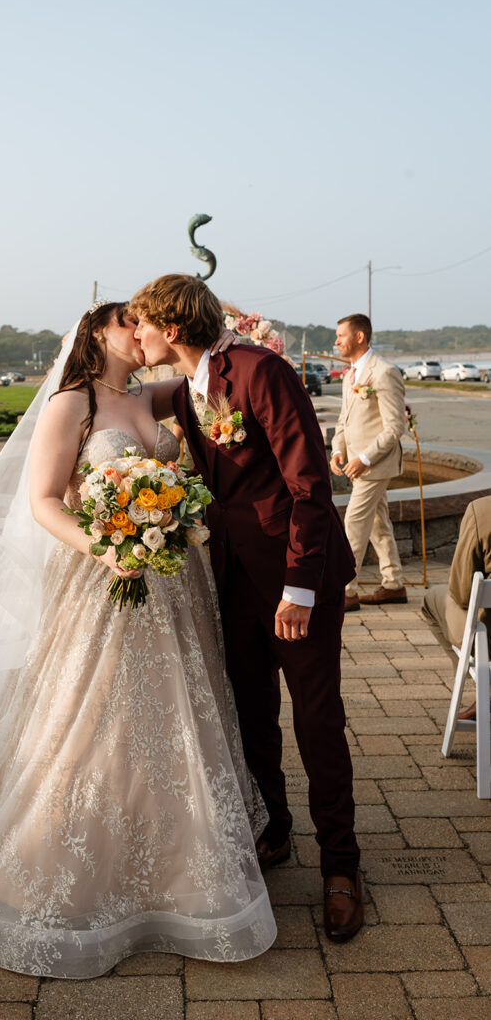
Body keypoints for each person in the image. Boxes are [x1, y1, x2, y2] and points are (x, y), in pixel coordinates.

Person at [0, 301, 276, 979]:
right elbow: (45, 500)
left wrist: (244, 334)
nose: (141, 334)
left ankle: (182, 854)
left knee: (178, 713)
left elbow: (206, 365)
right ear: (97, 334)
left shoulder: (148, 393)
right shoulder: (70, 403)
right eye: (129, 324)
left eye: (146, 324)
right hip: (104, 579)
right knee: (100, 715)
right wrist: (103, 547)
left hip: (174, 582)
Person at [131, 274, 363, 943]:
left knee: (318, 719)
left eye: (142, 323)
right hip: (230, 577)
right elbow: (129, 396)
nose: (138, 334)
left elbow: (309, 486)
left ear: (171, 329)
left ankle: (342, 868)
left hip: (297, 579)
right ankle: (275, 828)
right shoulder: (187, 384)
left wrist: (299, 590)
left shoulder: (263, 372)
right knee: (251, 711)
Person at [330, 314, 407, 611]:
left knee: (354, 522)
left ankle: (346, 591)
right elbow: (344, 420)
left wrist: (363, 459)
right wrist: (338, 451)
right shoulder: (351, 374)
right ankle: (394, 583)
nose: (336, 341)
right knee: (378, 523)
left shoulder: (385, 372)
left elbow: (394, 428)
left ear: (359, 337)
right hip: (358, 464)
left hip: (375, 465)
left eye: (340, 335)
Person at [421, 495, 491, 719]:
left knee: (433, 599)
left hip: (488, 639)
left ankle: (483, 691)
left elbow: (462, 594)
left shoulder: (482, 510)